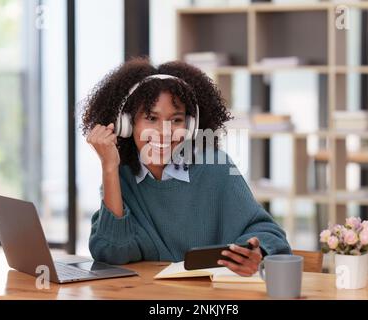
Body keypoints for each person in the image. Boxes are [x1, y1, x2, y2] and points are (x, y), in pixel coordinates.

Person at [81, 57, 291, 277]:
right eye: (151, 118)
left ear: (191, 127)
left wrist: (255, 252)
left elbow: (269, 233)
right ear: (127, 123)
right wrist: (109, 168)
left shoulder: (214, 167)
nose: (164, 132)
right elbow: (112, 252)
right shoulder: (120, 174)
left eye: (176, 120)